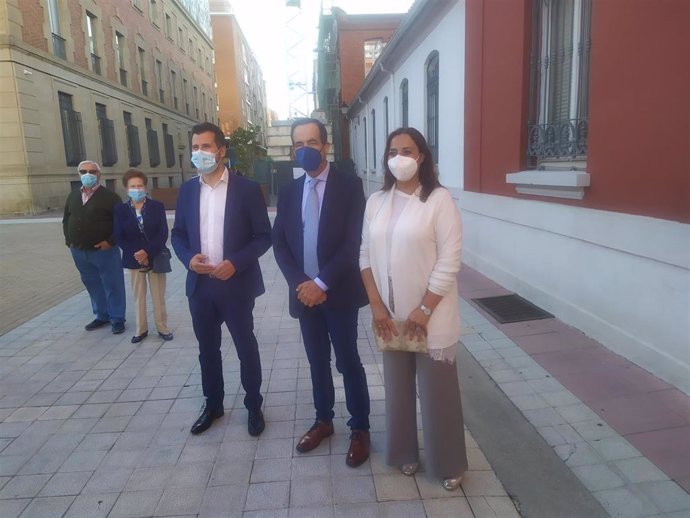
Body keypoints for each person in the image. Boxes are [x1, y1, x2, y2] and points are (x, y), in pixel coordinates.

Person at [359, 127, 468, 490]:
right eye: (393, 151)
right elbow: (364, 255)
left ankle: (448, 463)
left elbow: (450, 261)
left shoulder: (439, 201)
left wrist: (423, 310)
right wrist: (376, 306)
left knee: (438, 395)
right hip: (389, 317)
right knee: (397, 389)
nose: (399, 158)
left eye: (407, 150)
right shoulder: (376, 201)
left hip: (430, 317)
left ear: (421, 156)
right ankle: (403, 453)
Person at [272, 118, 371, 467]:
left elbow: (351, 243)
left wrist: (321, 283)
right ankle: (323, 420)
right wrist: (300, 283)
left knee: (347, 361)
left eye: (311, 143)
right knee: (317, 362)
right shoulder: (288, 191)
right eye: (298, 144)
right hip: (303, 294)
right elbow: (280, 242)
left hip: (338, 292)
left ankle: (360, 428)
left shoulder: (349, 186)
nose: (305, 150)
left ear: (325, 147)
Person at [171, 122, 271, 436]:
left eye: (206, 147)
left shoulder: (247, 189)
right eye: (196, 147)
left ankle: (254, 405)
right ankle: (213, 403)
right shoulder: (188, 191)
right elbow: (178, 235)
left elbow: (263, 236)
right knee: (207, 349)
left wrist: (236, 263)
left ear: (221, 150)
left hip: (235, 285)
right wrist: (189, 259)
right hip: (201, 287)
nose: (200, 153)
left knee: (245, 346)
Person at [63, 160, 127, 334]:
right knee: (92, 283)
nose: (88, 174)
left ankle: (117, 318)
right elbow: (66, 219)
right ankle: (102, 315)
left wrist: (110, 242)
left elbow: (122, 224)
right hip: (79, 251)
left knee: (113, 284)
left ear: (99, 174)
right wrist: (69, 241)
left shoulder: (111, 197)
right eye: (84, 171)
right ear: (79, 174)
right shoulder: (73, 196)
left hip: (104, 251)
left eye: (92, 171)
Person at [113, 169, 173, 344]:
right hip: (134, 259)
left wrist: (147, 252)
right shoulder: (120, 210)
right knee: (138, 296)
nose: (137, 189)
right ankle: (141, 329)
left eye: (140, 185)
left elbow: (162, 233)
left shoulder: (157, 207)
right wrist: (138, 254)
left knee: (158, 296)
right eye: (133, 186)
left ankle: (162, 327)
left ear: (145, 187)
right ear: (126, 188)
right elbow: (119, 236)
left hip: (155, 257)